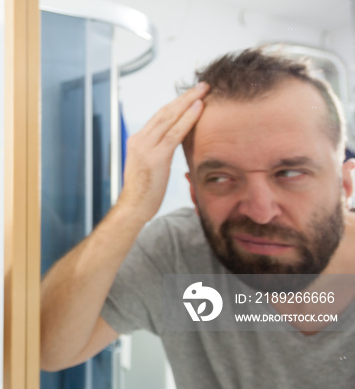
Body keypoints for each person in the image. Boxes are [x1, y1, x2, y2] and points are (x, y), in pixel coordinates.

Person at [40, 48, 355, 388]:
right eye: (220, 178)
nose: (261, 212)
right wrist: (132, 207)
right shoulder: (177, 257)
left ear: (346, 183)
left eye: (290, 172)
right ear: (194, 192)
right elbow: (49, 349)